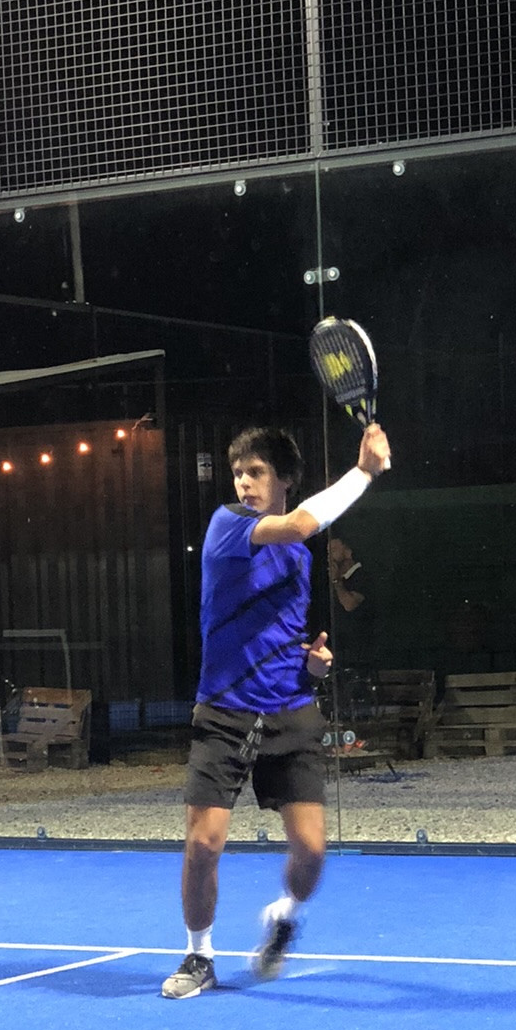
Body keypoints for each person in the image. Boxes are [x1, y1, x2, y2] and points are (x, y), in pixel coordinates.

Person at [163, 419, 393, 1000]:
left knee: (312, 853)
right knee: (203, 844)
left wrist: (312, 666)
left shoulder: (296, 559)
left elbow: (285, 632)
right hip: (224, 712)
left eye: (257, 472)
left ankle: (283, 917)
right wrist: (364, 473)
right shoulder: (227, 525)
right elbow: (301, 522)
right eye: (238, 472)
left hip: (290, 711)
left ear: (284, 479)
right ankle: (199, 955)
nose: (243, 482)